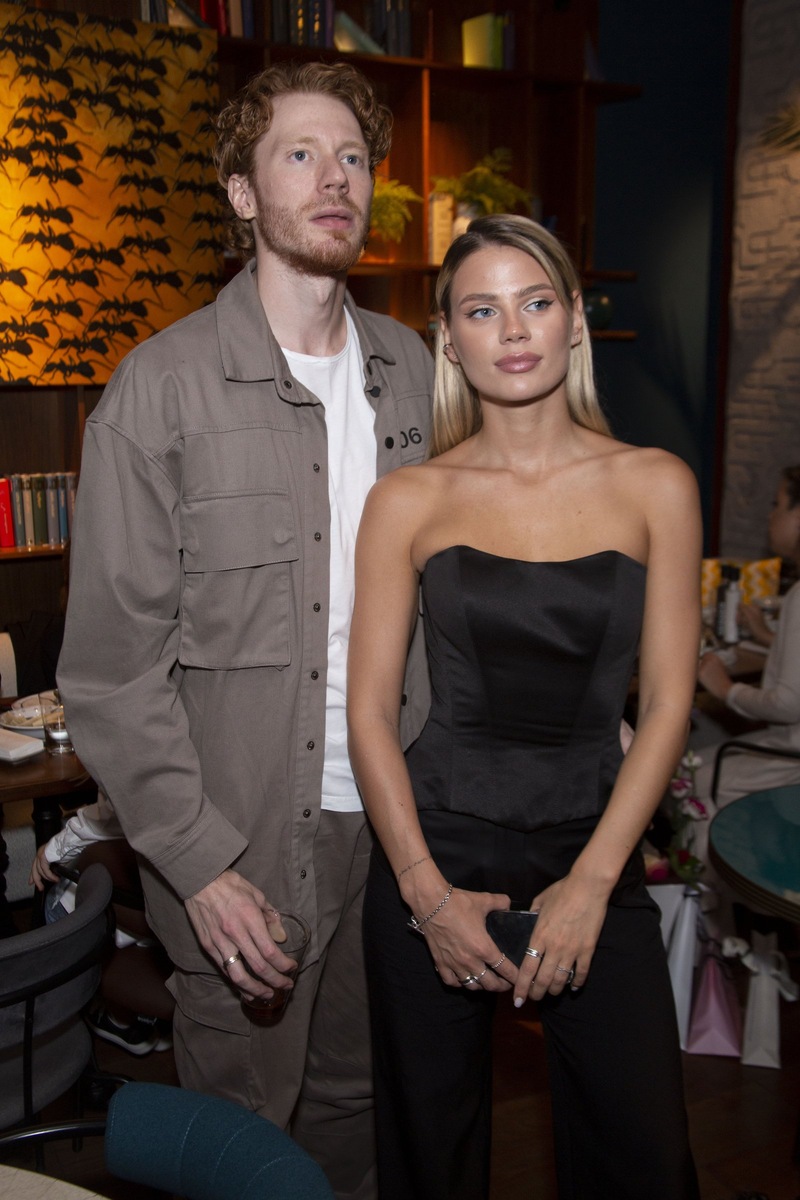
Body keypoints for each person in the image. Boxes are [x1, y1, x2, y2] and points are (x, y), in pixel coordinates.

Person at [57, 59, 433, 1200]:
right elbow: (112, 677)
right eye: (299, 154)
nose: (335, 178)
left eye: (353, 157)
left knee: (360, 1105)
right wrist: (203, 868)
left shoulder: (414, 375)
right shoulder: (158, 393)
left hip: (393, 823)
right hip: (241, 840)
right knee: (240, 1132)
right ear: (241, 192)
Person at [347, 214, 702, 1199]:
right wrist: (424, 896)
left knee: (642, 1155)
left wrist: (593, 884)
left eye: (535, 302)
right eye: (481, 310)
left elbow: (668, 704)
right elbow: (368, 714)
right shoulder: (407, 499)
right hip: (434, 853)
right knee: (431, 1158)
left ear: (574, 320)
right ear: (447, 339)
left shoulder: (656, 485)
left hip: (594, 849)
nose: (511, 330)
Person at [697, 464, 800, 806]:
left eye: (777, 504)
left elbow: (787, 704)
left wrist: (724, 688)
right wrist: (768, 636)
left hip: (790, 762)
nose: (771, 515)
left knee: (685, 776)